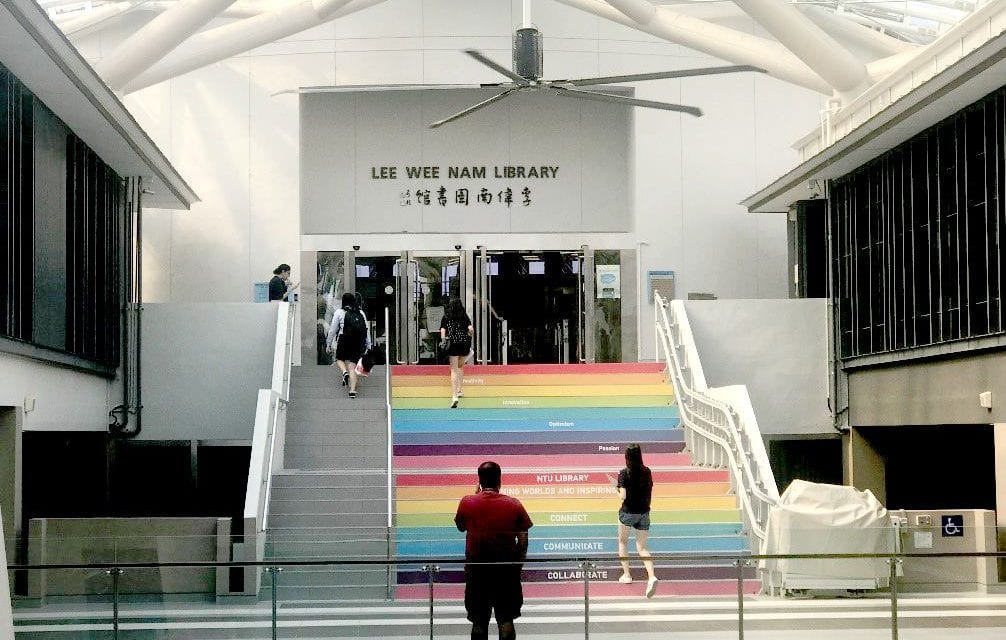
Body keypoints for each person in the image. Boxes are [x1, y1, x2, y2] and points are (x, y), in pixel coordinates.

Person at [455, 462, 533, 640]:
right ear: (499, 480)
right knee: (506, 621)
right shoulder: (514, 504)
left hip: (477, 573)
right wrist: (517, 566)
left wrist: (476, 496)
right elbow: (523, 542)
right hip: (506, 573)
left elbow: (461, 527)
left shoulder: (467, 502)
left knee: (478, 623)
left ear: (479, 480)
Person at [616, 443, 658, 597]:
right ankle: (652, 576)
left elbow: (623, 496)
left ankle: (627, 575)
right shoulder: (647, 471)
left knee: (623, 542)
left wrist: (616, 489)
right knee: (642, 547)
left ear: (627, 457)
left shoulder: (624, 473)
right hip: (644, 512)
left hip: (628, 512)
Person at [325, 292, 371, 398]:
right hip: (357, 341)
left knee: (339, 359)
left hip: (344, 339)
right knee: (352, 366)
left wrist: (328, 343)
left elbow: (332, 330)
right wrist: (368, 344)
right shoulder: (360, 312)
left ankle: (344, 372)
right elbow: (366, 329)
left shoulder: (339, 312)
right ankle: (352, 391)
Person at [439, 297, 473, 408]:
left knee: (454, 369)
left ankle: (454, 396)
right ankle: (459, 390)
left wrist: (443, 340)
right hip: (464, 344)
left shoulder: (446, 316)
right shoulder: (464, 316)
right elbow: (471, 329)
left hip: (453, 344)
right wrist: (469, 336)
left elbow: (443, 330)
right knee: (461, 366)